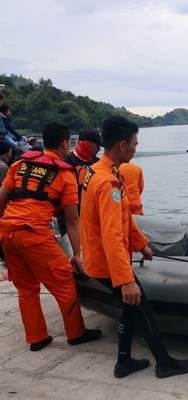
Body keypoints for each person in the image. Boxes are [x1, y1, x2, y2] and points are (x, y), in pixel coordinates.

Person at [80, 115, 188, 379]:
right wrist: (125, 280)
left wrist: (140, 244)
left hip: (101, 259)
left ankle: (124, 362)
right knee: (142, 308)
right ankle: (164, 363)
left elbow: (123, 219)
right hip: (109, 264)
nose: (135, 147)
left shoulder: (97, 172)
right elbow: (111, 234)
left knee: (131, 309)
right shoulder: (108, 183)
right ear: (122, 145)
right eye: (134, 143)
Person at [0, 122, 101, 351]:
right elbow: (73, 220)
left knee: (26, 288)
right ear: (66, 143)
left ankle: (37, 338)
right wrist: (77, 254)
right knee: (65, 281)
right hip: (34, 233)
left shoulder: (19, 164)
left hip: (7, 232)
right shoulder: (65, 175)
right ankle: (76, 333)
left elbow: (2, 198)